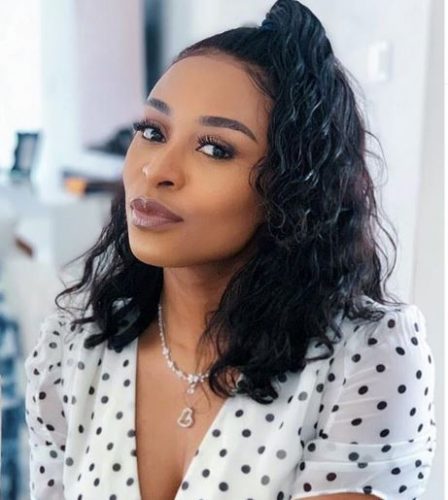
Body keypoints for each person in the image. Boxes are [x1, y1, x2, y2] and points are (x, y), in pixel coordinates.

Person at [24, 0, 437, 498]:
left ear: (291, 189)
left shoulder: (367, 355)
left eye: (215, 148)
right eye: (153, 132)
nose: (156, 170)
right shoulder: (70, 349)